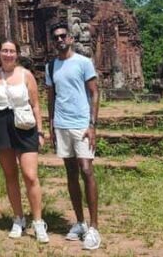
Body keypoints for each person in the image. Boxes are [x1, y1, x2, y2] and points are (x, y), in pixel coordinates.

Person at [45, 22, 101, 251]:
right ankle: (79, 222)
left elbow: (95, 92)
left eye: (63, 36)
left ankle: (94, 226)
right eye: (56, 37)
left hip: (81, 125)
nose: (60, 40)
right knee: (70, 173)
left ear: (70, 38)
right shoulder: (50, 67)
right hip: (62, 124)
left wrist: (92, 124)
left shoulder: (83, 62)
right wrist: (51, 124)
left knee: (86, 170)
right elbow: (50, 98)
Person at [0, 40, 48, 243]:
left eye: (12, 51)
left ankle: (38, 222)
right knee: (10, 174)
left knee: (30, 175)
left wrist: (40, 131)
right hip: (0, 125)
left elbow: (36, 105)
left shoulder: (26, 75)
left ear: (17, 54)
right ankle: (18, 218)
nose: (8, 54)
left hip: (25, 125)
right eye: (4, 51)